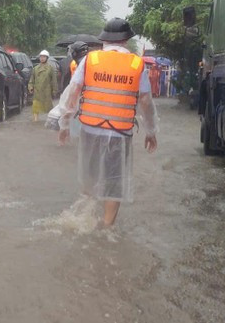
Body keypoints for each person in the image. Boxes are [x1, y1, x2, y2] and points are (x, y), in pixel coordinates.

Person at [56, 18, 159, 228]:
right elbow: (146, 102)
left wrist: (65, 125)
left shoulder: (90, 60)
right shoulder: (136, 64)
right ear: (126, 40)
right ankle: (105, 226)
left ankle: (85, 218)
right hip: (119, 133)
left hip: (90, 129)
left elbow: (73, 94)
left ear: (104, 39)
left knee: (90, 176)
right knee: (114, 180)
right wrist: (151, 131)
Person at [28, 50, 58, 122]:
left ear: (47, 58)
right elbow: (32, 79)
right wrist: (30, 87)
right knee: (35, 105)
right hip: (37, 91)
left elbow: (54, 80)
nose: (42, 58)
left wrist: (54, 90)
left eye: (44, 57)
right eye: (41, 57)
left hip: (46, 91)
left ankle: (50, 120)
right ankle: (35, 119)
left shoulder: (50, 68)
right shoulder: (35, 68)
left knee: (48, 106)